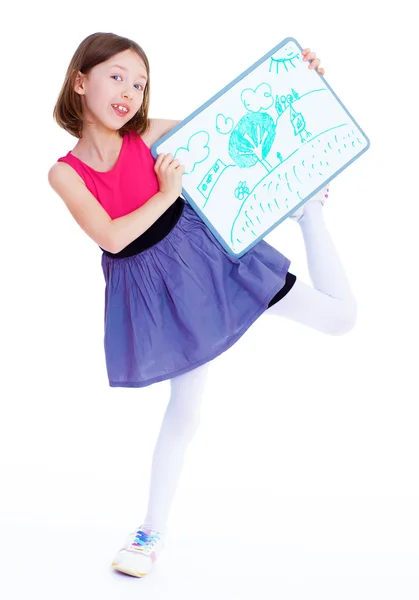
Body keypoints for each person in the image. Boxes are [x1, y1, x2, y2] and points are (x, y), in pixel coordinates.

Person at [48, 32, 357, 578]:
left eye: (139, 83)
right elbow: (113, 237)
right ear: (80, 81)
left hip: (209, 259)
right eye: (116, 76)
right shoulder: (65, 173)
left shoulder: (147, 134)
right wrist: (166, 194)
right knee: (186, 412)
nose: (130, 91)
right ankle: (149, 534)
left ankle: (311, 214)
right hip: (157, 290)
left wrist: (301, 76)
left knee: (340, 318)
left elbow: (237, 115)